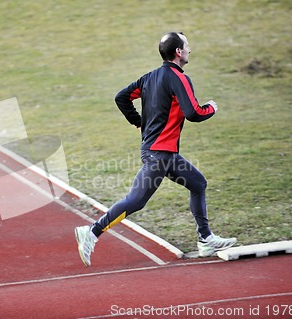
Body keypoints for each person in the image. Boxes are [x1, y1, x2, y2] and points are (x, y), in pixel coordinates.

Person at [75, 32, 236, 267]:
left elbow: (121, 97)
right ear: (178, 52)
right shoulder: (179, 78)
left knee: (198, 183)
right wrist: (211, 108)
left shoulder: (149, 78)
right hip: (159, 155)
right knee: (136, 200)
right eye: (187, 46)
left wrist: (138, 121)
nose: (190, 50)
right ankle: (91, 232)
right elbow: (193, 113)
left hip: (165, 154)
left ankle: (205, 239)